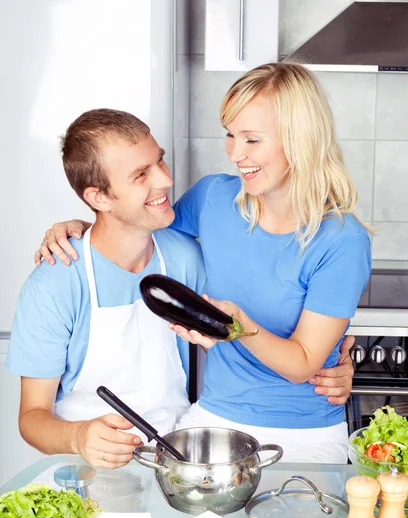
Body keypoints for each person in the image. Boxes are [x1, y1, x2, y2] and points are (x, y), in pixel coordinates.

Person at [33, 63, 365, 464]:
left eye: (252, 140)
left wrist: (238, 327)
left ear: (301, 140)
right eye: (230, 135)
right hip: (214, 420)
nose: (235, 154)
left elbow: (301, 365)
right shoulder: (214, 199)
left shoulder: (342, 240)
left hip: (306, 434)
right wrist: (83, 227)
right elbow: (140, 224)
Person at [6, 108, 206, 469]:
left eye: (159, 162)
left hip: (178, 463)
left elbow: (239, 329)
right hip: (88, 471)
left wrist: (334, 352)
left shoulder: (186, 258)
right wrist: (79, 436)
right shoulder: (54, 284)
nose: (164, 180)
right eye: (140, 175)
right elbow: (32, 417)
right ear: (99, 198)